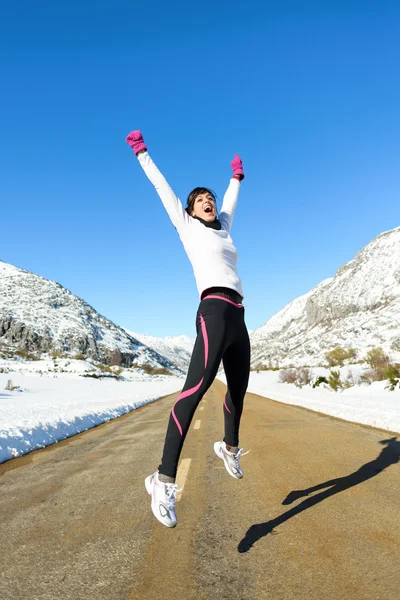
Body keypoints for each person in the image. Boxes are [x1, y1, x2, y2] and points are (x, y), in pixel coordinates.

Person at [126, 130, 251, 528]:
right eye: (200, 201)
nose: (208, 202)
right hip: (213, 309)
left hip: (239, 315)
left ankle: (228, 447)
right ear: (191, 210)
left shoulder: (224, 227)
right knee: (195, 390)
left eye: (210, 198)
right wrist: (143, 153)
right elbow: (163, 188)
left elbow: (229, 201)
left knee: (238, 389)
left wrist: (235, 179)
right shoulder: (187, 227)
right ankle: (162, 481)